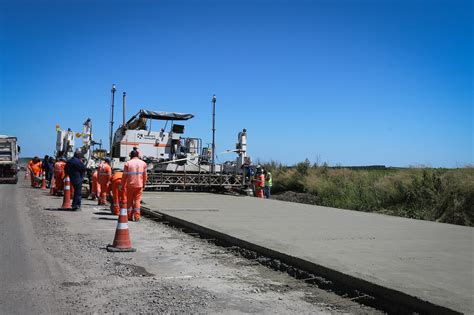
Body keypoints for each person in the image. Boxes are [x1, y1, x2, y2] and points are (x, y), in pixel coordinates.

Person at [122, 150, 147, 221]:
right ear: (138, 155)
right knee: (137, 201)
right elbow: (145, 175)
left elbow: (124, 176)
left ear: (131, 156)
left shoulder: (128, 163)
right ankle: (137, 217)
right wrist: (144, 183)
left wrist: (122, 185)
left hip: (130, 185)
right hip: (139, 185)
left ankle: (129, 216)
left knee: (129, 201)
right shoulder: (143, 163)